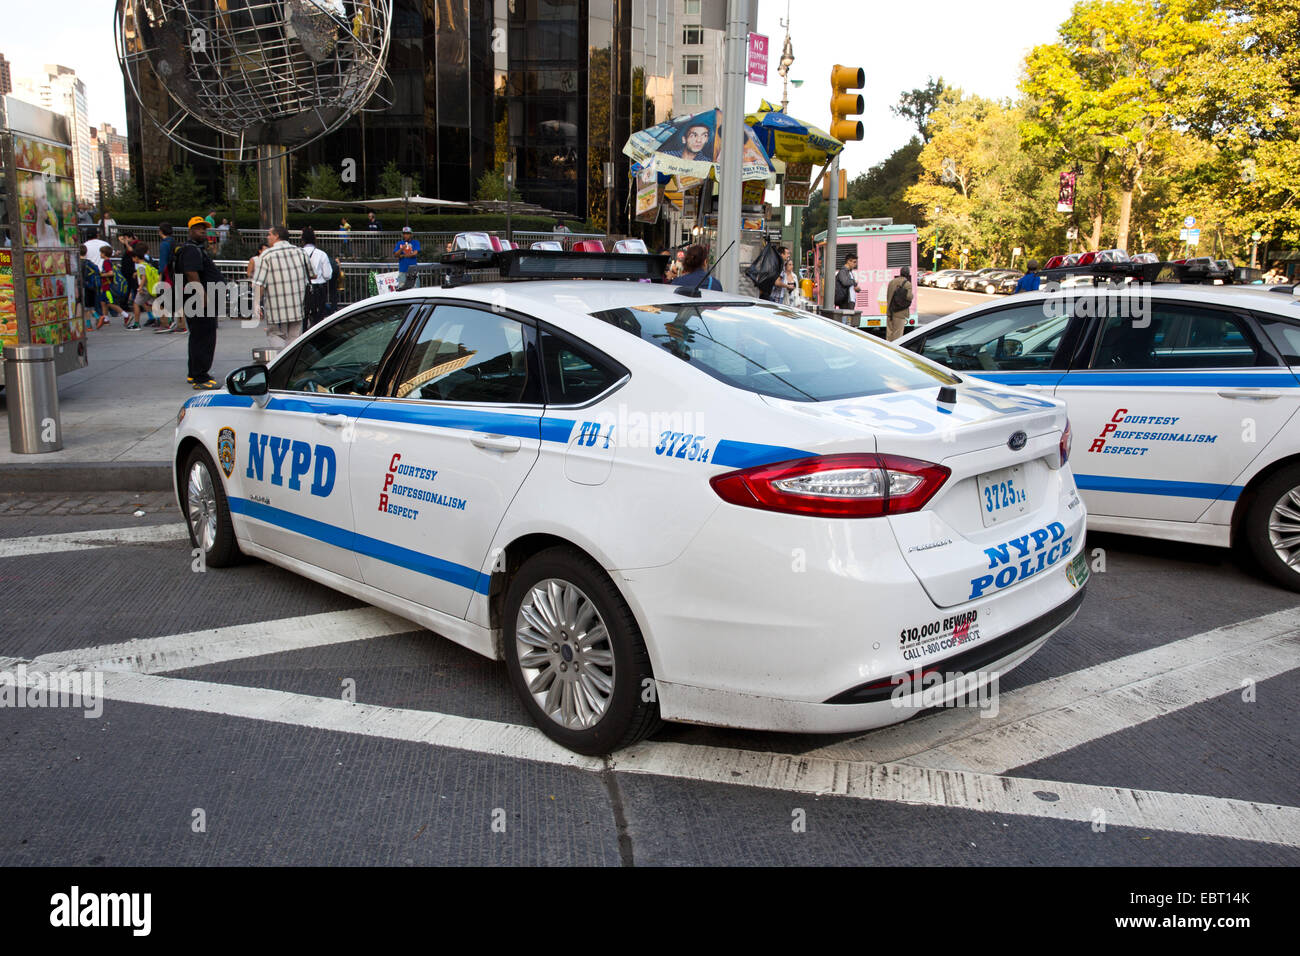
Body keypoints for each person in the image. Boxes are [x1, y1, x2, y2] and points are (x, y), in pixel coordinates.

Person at [175, 216, 225, 388]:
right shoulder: (191, 250)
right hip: (199, 301)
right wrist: (202, 295)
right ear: (190, 231)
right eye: (198, 228)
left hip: (197, 299)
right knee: (204, 337)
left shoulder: (195, 249)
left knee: (198, 336)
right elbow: (191, 272)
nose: (202, 231)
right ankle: (200, 377)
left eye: (204, 228)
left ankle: (194, 372)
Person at [252, 223, 315, 348]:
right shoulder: (301, 252)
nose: (267, 237)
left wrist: (256, 304)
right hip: (297, 306)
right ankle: (291, 362)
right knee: (294, 337)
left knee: (275, 334)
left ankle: (280, 361)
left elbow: (259, 283)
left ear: (276, 236)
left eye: (269, 234)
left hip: (276, 309)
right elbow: (313, 275)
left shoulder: (266, 255)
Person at [301, 226, 332, 329]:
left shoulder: (298, 253)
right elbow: (327, 275)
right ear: (315, 240)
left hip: (303, 289)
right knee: (318, 319)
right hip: (319, 289)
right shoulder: (322, 254)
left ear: (302, 240)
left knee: (303, 317)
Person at [885, 265, 913, 341]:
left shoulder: (892, 282)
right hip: (900, 313)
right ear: (908, 274)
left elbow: (888, 296)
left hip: (890, 311)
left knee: (889, 334)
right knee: (898, 335)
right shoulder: (907, 284)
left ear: (900, 272)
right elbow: (909, 297)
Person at [394, 225, 421, 290]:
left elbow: (415, 253)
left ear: (411, 234)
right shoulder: (399, 243)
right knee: (402, 289)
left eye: (407, 234)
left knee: (415, 289)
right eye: (404, 234)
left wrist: (402, 255)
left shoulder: (415, 242)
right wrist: (402, 249)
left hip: (413, 271)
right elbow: (395, 255)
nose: (405, 235)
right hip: (403, 270)